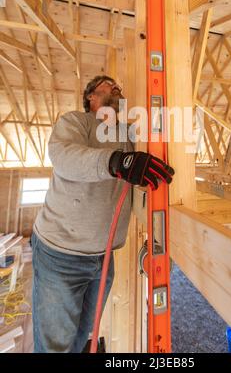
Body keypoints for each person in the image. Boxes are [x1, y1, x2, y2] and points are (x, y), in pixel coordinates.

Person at [31, 75, 174, 353]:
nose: (116, 87)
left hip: (103, 259)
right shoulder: (77, 122)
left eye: (118, 85)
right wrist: (115, 161)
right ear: (91, 98)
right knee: (55, 346)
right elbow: (64, 157)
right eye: (107, 85)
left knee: (79, 337)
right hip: (60, 255)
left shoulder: (129, 136)